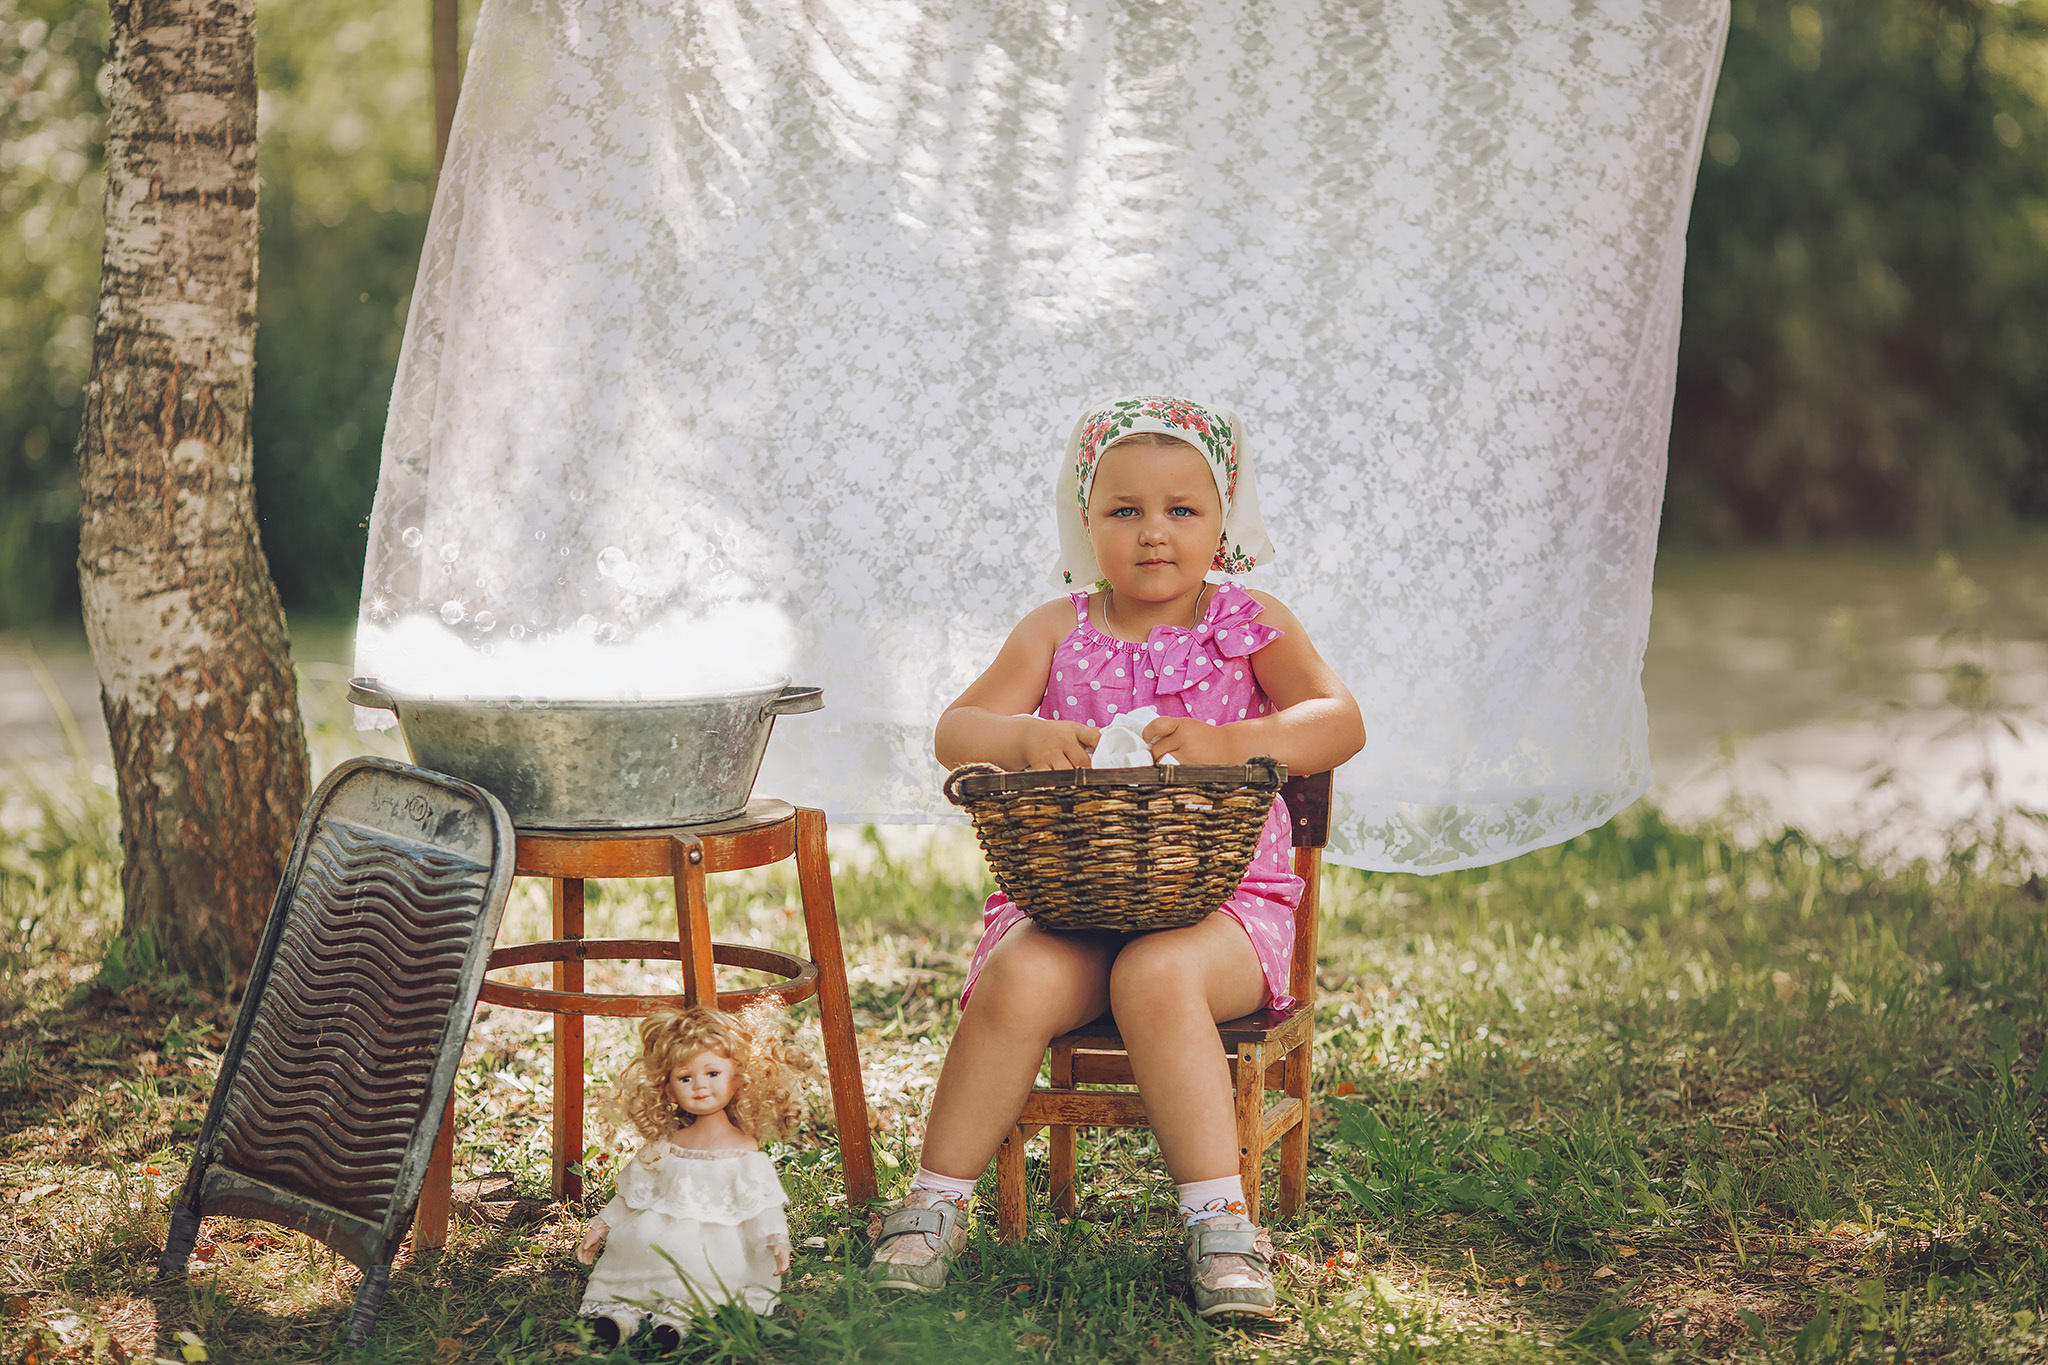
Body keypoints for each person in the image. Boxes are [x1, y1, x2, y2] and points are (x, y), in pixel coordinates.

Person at [867, 395, 1365, 1318]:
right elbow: (955, 729)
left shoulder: (1249, 620)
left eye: (1183, 509)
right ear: (1086, 519)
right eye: (1124, 509)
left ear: (1222, 519)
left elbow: (1339, 722)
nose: (1153, 532)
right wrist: (1024, 737)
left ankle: (1221, 1222)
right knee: (1017, 977)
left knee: (1156, 973)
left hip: (1224, 910)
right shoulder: (1058, 628)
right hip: (1075, 902)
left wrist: (1233, 742)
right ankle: (934, 1202)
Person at [576, 1004, 815, 1348]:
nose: (700, 1086)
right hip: (655, 1237)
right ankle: (621, 1316)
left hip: (714, 1245)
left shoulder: (743, 1148)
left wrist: (775, 1237)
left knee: (702, 1270)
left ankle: (676, 1321)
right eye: (685, 1078)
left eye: (712, 1073)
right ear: (668, 1089)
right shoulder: (669, 1144)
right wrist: (602, 1225)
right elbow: (636, 1192)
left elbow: (762, 1201)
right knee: (639, 1254)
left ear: (738, 1077)